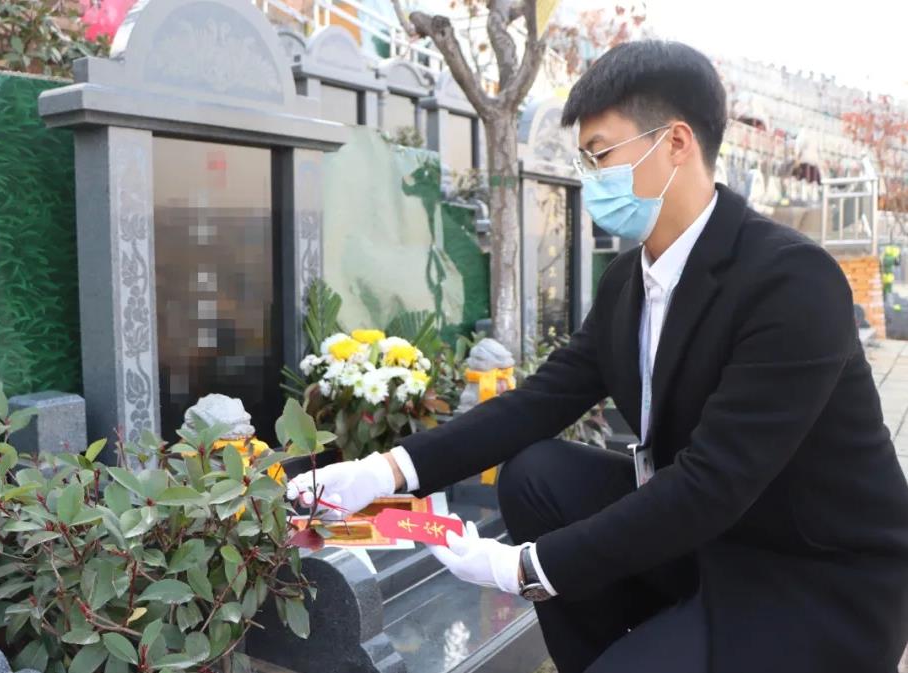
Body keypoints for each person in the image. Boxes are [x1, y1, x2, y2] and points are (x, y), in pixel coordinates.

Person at [286, 41, 908, 673]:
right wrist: (382, 472)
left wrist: (527, 567)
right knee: (537, 474)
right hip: (708, 545)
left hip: (811, 577)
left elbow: (713, 482)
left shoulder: (790, 281)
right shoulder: (628, 284)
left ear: (676, 142)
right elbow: (537, 403)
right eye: (584, 159)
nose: (591, 179)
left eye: (601, 154)